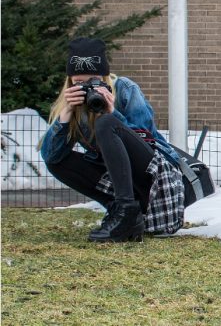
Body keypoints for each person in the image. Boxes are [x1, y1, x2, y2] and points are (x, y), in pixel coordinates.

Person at [40, 37, 185, 242]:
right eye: (79, 82)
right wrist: (65, 115)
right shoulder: (73, 104)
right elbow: (51, 156)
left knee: (106, 122)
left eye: (93, 80)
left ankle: (127, 212)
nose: (86, 87)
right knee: (57, 162)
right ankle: (118, 210)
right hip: (125, 184)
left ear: (104, 77)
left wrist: (112, 113)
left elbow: (148, 141)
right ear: (70, 81)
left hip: (155, 178)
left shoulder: (125, 89)